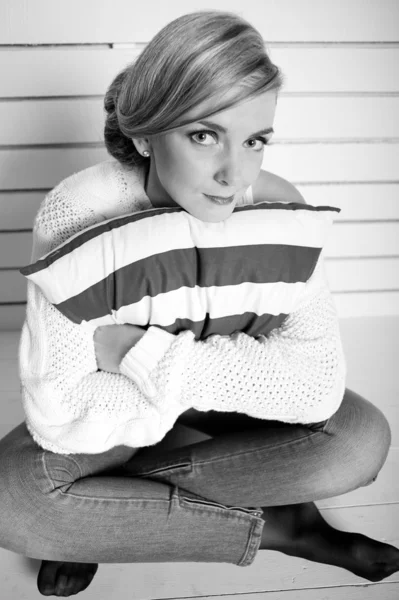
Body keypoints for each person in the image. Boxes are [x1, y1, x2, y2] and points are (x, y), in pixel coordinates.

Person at [0, 9, 398, 598]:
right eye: (204, 135)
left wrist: (139, 351)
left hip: (161, 396)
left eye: (255, 140)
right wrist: (246, 370)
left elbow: (314, 385)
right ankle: (283, 526)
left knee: (359, 441)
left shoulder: (276, 206)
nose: (234, 175)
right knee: (15, 503)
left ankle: (105, 522)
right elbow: (62, 410)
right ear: (144, 134)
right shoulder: (78, 212)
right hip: (128, 419)